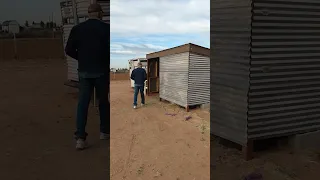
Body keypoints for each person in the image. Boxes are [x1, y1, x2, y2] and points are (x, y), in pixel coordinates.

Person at [65, 3, 110, 150]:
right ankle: (104, 132)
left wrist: (82, 58)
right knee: (103, 101)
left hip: (84, 72)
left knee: (83, 104)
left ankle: (80, 139)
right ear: (98, 13)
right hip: (101, 71)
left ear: (89, 13)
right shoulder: (106, 29)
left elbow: (69, 49)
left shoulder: (77, 29)